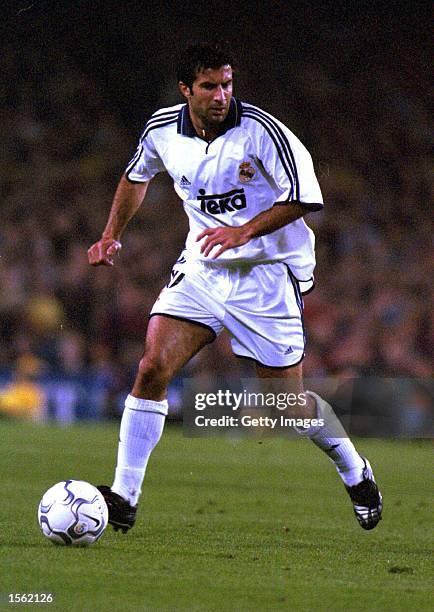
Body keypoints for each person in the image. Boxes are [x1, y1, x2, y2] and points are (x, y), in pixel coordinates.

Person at [88, 42, 382, 532]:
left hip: (266, 276)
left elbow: (306, 199)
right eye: (209, 86)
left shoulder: (264, 133)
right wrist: (110, 235)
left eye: (226, 84)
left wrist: (244, 231)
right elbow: (135, 175)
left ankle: (355, 469)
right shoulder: (162, 130)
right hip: (204, 269)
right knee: (152, 367)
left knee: (284, 408)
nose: (221, 94)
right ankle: (123, 497)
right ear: (186, 89)